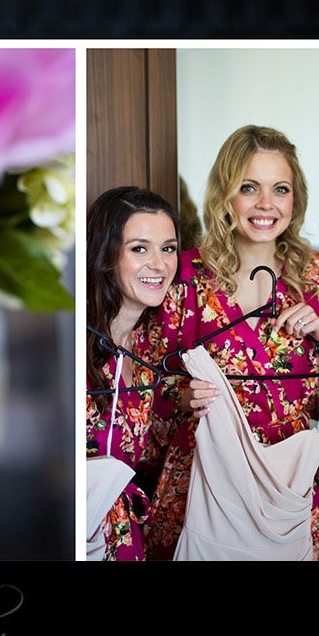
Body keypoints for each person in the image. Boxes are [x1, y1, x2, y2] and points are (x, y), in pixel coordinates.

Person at [141, 126, 319, 560]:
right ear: (225, 195)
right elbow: (142, 384)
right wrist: (182, 394)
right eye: (249, 188)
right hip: (205, 480)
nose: (266, 204)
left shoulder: (316, 278)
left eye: (279, 189)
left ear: (295, 199)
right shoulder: (185, 276)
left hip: (287, 487)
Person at [84, 187, 180, 561]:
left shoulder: (145, 348)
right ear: (107, 255)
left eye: (168, 248)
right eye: (139, 248)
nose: (158, 264)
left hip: (126, 540)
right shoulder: (82, 344)